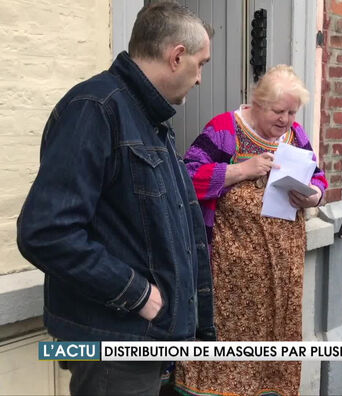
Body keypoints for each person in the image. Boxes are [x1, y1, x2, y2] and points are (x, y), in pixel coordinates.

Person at [16, 2, 215, 395]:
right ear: (176, 56)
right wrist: (137, 294)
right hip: (114, 350)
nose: (200, 79)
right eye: (201, 63)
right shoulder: (96, 108)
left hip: (149, 345)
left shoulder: (151, 122)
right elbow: (46, 231)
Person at [174, 65, 328, 396]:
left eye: (291, 111)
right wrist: (240, 170)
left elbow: (318, 176)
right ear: (257, 103)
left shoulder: (296, 135)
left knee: (275, 338)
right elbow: (187, 177)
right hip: (229, 275)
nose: (286, 119)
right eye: (278, 111)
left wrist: (313, 194)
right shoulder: (223, 129)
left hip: (282, 274)